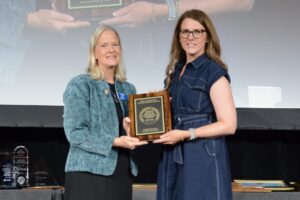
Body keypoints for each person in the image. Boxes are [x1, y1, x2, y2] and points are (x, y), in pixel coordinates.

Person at [153, 9, 237, 200]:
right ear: (179, 37)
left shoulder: (213, 73)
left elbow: (229, 125)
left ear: (207, 37)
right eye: (185, 32)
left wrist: (187, 134)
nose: (191, 37)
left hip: (201, 153)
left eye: (197, 32)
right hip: (173, 151)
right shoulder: (176, 71)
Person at [62, 25, 147, 200]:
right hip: (88, 175)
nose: (111, 50)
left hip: (121, 174)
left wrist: (131, 131)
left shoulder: (128, 88)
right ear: (94, 53)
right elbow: (75, 133)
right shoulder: (80, 84)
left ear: (121, 50)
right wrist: (115, 141)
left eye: (115, 44)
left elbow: (131, 134)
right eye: (104, 45)